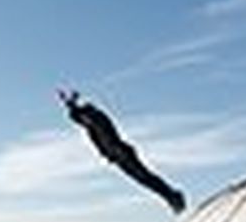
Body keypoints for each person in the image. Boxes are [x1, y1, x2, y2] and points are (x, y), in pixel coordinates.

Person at [57, 88, 186, 214]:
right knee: (144, 180)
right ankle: (171, 198)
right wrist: (69, 103)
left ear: (86, 114)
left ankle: (174, 196)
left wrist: (72, 102)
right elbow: (76, 117)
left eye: (83, 119)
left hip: (122, 153)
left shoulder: (97, 118)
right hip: (118, 157)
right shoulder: (90, 123)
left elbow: (107, 138)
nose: (82, 123)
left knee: (145, 177)